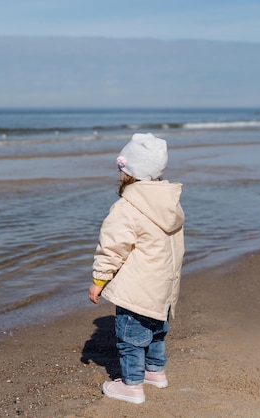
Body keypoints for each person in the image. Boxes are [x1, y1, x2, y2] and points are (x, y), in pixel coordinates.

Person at [88, 132, 185, 404]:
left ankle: (132, 386)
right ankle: (155, 372)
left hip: (137, 288)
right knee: (156, 330)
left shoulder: (126, 207)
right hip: (163, 286)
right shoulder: (168, 203)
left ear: (126, 171)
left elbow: (112, 248)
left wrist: (99, 280)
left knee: (131, 338)